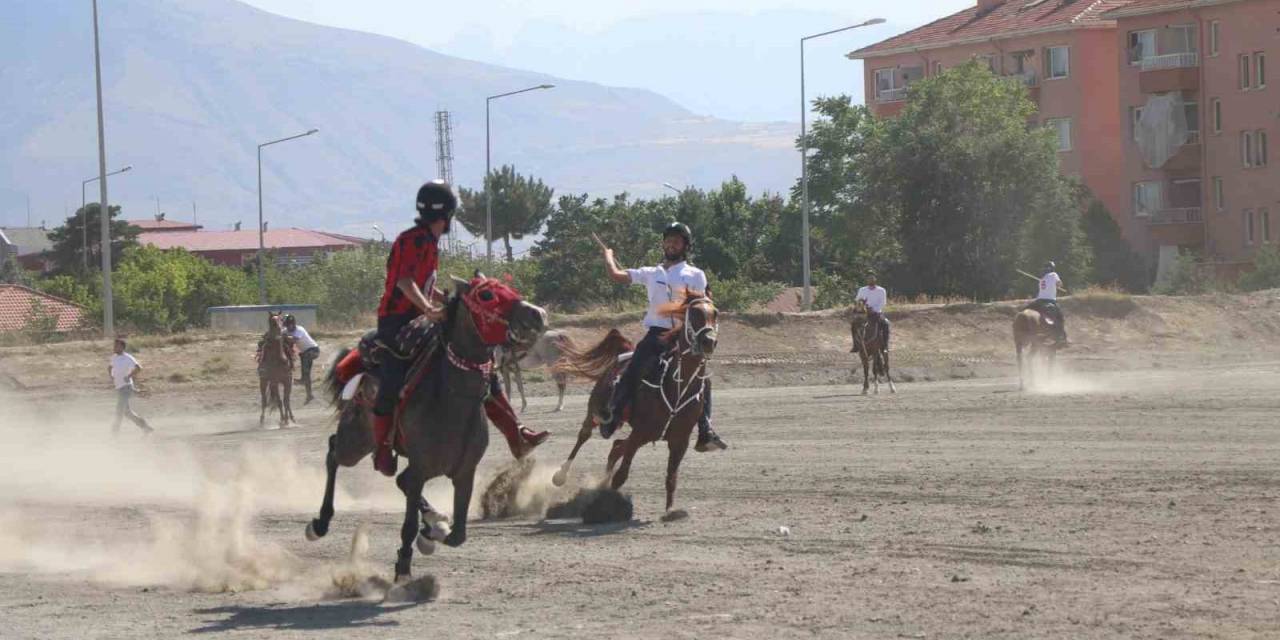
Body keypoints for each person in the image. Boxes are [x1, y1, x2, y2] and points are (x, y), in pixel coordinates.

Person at [370, 180, 548, 477]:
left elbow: (425, 285)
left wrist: (448, 302)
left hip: (426, 317)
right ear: (448, 214)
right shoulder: (411, 240)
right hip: (396, 322)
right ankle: (383, 448)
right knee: (391, 379)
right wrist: (429, 309)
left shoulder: (428, 240)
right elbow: (405, 282)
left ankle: (516, 434)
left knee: (479, 364)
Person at [597, 222, 727, 453]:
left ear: (685, 246)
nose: (671, 244)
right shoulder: (650, 272)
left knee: (702, 377)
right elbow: (616, 275)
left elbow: (701, 305)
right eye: (668, 240)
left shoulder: (696, 274)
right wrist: (608, 256)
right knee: (634, 367)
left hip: (683, 335)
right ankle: (614, 414)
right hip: (656, 335)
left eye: (676, 241)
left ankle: (705, 430)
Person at [108, 338, 154, 435]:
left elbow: (138, 368)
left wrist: (129, 376)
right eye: (114, 345)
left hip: (126, 387)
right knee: (127, 412)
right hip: (119, 388)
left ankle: (114, 434)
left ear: (122, 347)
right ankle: (146, 427)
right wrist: (111, 376)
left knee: (119, 411)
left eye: (116, 346)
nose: (114, 347)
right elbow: (110, 367)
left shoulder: (128, 357)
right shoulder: (114, 357)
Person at [1024, 261, 1069, 345]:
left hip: (1038, 301)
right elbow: (1060, 284)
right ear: (1052, 268)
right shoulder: (1054, 274)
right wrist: (1057, 286)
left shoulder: (1042, 278)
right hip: (1050, 300)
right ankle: (1062, 339)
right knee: (1060, 318)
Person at [282, 314, 319, 404]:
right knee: (307, 374)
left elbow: (294, 340)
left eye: (289, 325)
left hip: (314, 350)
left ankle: (303, 379)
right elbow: (280, 334)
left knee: (305, 356)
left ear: (293, 324)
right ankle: (309, 394)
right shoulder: (286, 330)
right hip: (305, 353)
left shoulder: (300, 329)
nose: (288, 327)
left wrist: (283, 336)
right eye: (287, 325)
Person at [855, 272, 890, 351]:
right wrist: (862, 307)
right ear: (867, 280)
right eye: (869, 278)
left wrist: (873, 310)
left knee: (886, 324)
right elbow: (858, 301)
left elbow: (883, 303)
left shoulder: (881, 290)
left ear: (875, 279)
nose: (870, 280)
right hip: (864, 314)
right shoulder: (862, 290)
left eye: (872, 278)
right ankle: (856, 344)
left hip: (876, 313)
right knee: (854, 324)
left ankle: (885, 346)